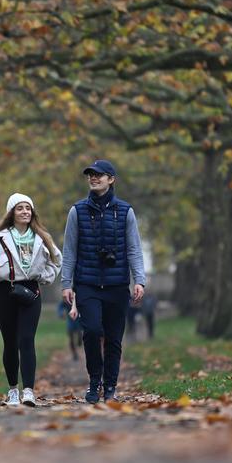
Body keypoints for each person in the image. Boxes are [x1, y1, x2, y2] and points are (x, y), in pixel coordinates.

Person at [62, 160, 146, 403]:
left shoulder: (126, 211)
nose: (94, 178)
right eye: (90, 175)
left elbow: (134, 249)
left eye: (99, 175)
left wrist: (139, 280)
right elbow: (70, 251)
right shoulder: (76, 212)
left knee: (113, 339)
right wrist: (66, 283)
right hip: (87, 284)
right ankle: (94, 381)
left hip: (117, 285)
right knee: (92, 331)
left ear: (111, 179)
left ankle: (110, 386)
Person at [0, 193, 62, 407]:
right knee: (10, 343)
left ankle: (29, 391)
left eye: (28, 208)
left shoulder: (41, 237)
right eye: (20, 208)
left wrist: (45, 276)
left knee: (27, 340)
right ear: (11, 212)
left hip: (31, 292)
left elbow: (57, 260)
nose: (25, 212)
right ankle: (13, 390)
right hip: (5, 293)